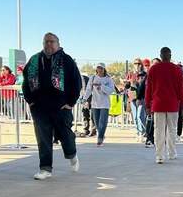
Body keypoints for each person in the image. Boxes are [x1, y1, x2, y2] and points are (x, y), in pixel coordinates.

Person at [22, 32, 82, 180]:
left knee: (65, 136)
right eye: (46, 41)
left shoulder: (66, 60)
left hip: (61, 107)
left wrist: (70, 103)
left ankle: (71, 154)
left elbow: (77, 83)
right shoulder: (35, 60)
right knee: (43, 138)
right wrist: (31, 101)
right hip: (40, 108)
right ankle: (45, 169)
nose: (48, 44)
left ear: (58, 43)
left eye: (51, 41)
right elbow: (25, 82)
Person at [145, 46, 183, 164]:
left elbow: (149, 89)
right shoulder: (177, 70)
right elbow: (181, 90)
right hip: (173, 105)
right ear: (170, 55)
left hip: (158, 105)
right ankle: (171, 153)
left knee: (159, 130)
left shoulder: (153, 69)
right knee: (172, 130)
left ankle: (159, 156)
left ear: (161, 56)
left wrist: (148, 105)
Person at [82, 63, 115, 146]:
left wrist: (101, 86)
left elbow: (111, 90)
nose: (99, 70)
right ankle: (101, 135)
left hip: (104, 104)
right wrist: (85, 98)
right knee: (96, 123)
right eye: (98, 68)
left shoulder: (108, 79)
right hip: (95, 104)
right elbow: (89, 89)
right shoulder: (93, 78)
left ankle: (99, 139)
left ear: (104, 69)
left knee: (102, 122)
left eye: (101, 68)